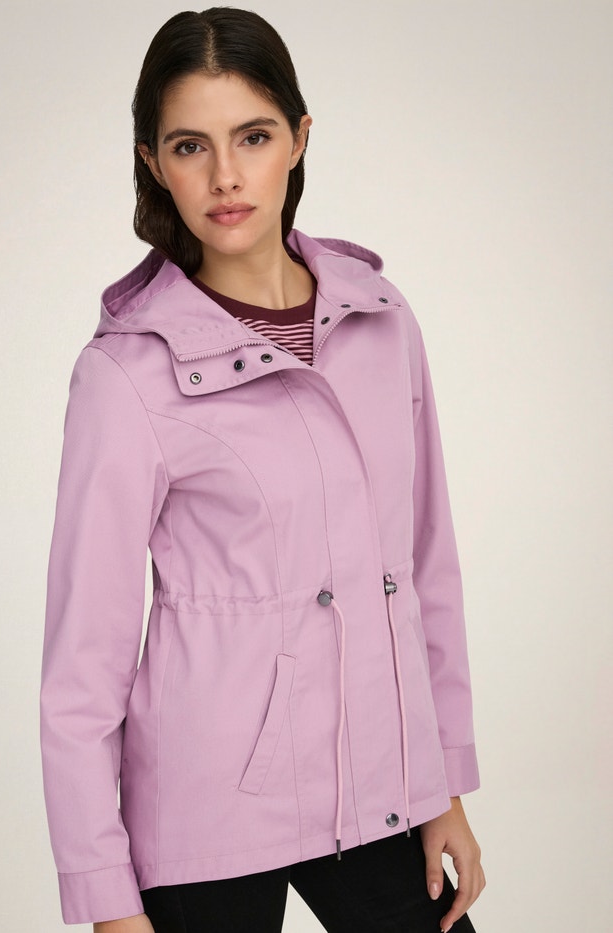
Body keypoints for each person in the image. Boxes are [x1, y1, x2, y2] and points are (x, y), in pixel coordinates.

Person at [40, 7, 486, 932]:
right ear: (153, 161)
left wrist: (440, 783)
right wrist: (106, 896)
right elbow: (84, 662)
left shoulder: (382, 321)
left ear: (299, 138)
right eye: (189, 146)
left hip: (377, 791)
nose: (225, 176)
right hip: (205, 812)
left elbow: (424, 568)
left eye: (252, 136)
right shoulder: (126, 374)